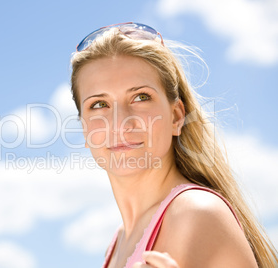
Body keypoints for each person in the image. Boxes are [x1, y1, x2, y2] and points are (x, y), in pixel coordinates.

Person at [69, 22, 278, 268]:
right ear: (84, 129)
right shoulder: (116, 244)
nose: (120, 123)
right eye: (99, 104)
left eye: (140, 97)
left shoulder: (197, 213)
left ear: (177, 117)